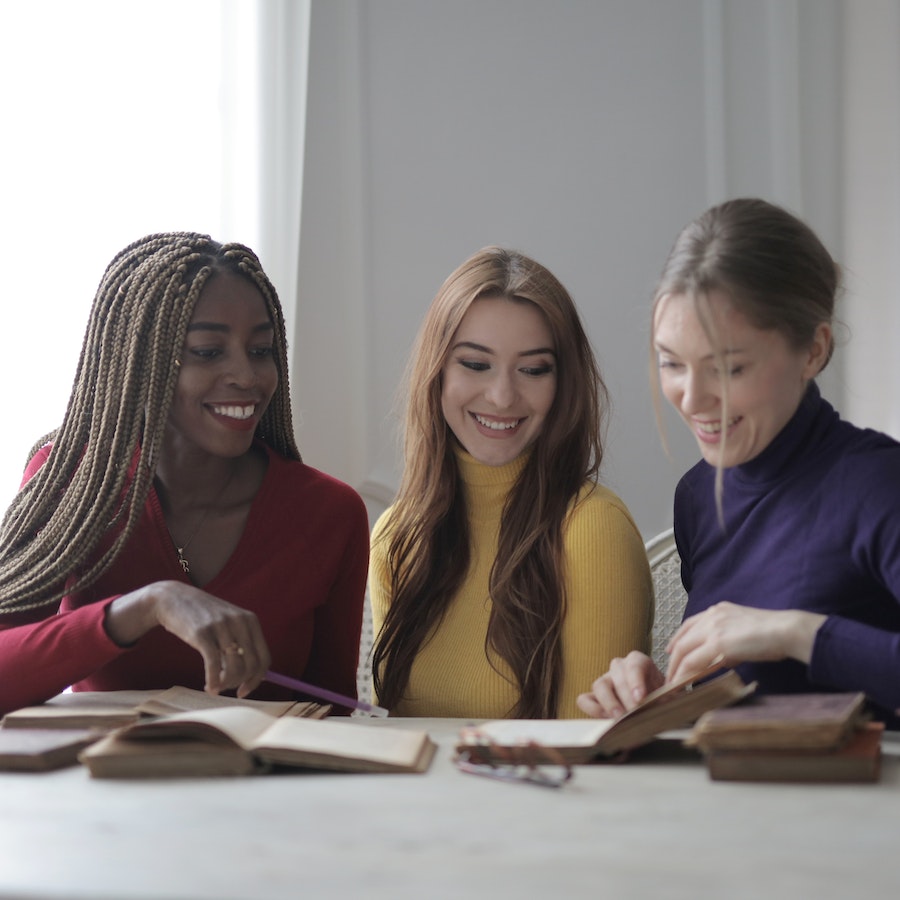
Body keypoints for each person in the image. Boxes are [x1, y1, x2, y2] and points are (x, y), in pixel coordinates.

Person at [0, 232, 369, 716]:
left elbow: (335, 710)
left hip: (269, 787)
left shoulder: (329, 513)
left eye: (260, 350)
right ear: (139, 362)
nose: (247, 376)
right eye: (208, 351)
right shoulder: (72, 483)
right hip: (101, 786)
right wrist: (148, 606)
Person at [577, 197, 900, 726]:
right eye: (671, 363)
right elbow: (756, 698)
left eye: (728, 369)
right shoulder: (698, 497)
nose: (692, 397)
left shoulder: (879, 484)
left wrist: (795, 633)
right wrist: (664, 696)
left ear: (814, 350)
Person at [370, 246, 653, 719]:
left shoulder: (592, 529)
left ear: (563, 383)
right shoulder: (397, 536)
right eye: (475, 364)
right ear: (436, 372)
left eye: (533, 369)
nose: (502, 396)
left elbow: (586, 758)